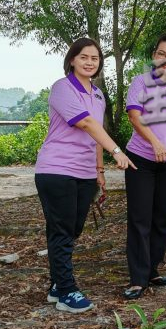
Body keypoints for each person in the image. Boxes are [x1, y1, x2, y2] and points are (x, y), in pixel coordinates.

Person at [34, 37, 135, 313]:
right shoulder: (62, 88)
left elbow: (94, 135)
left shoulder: (99, 95)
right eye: (84, 57)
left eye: (95, 58)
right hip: (56, 170)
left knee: (71, 229)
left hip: (84, 172)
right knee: (63, 230)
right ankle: (66, 290)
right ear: (72, 60)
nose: (90, 62)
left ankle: (57, 285)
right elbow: (87, 123)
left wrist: (99, 170)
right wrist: (117, 150)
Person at [121, 34, 166, 300]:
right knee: (140, 218)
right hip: (141, 160)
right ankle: (137, 279)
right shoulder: (141, 81)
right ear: (154, 55)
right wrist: (155, 143)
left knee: (163, 218)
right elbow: (134, 116)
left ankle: (152, 269)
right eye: (162, 54)